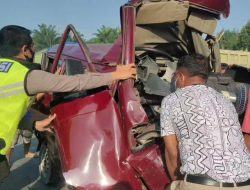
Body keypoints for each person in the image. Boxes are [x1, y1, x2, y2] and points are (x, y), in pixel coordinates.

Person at [0, 25, 136, 180]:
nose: (32, 52)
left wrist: (33, 124)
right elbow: (75, 82)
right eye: (32, 48)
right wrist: (115, 75)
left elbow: (5, 107)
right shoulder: (24, 75)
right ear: (25, 50)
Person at [160, 54, 250, 190]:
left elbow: (172, 153)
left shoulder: (171, 101)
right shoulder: (225, 101)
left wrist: (179, 181)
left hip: (203, 185)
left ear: (180, 76)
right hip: (245, 184)